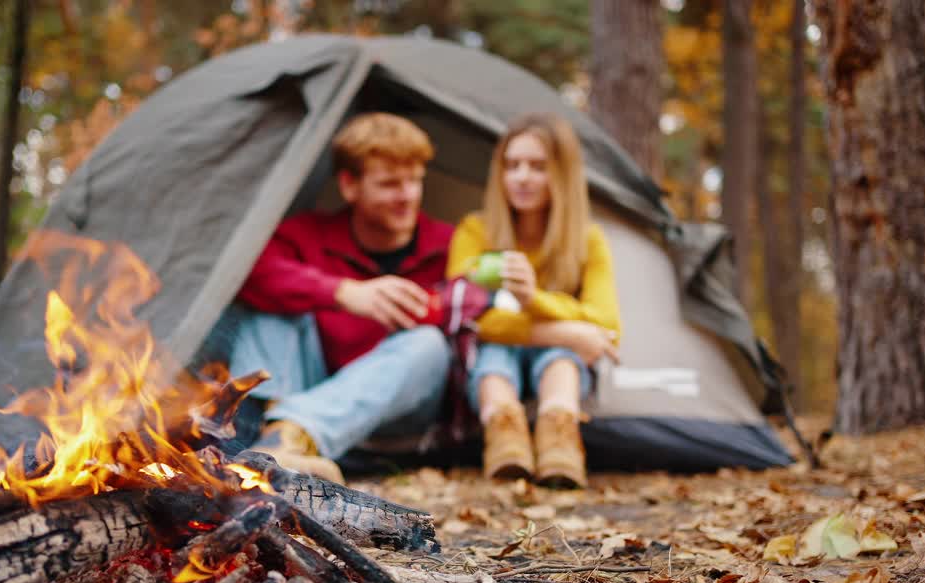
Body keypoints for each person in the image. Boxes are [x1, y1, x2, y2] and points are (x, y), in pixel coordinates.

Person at [212, 113, 453, 484]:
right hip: (310, 383)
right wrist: (342, 292)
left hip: (400, 415)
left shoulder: (447, 245)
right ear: (349, 186)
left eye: (414, 181)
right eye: (389, 184)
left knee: (428, 345)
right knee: (268, 309)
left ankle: (286, 435)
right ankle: (274, 447)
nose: (407, 196)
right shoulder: (308, 234)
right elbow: (247, 273)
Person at [447, 113, 621, 488]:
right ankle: (503, 428)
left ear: (562, 175)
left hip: (551, 359)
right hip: (496, 353)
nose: (522, 177)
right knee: (496, 355)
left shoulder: (587, 239)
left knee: (561, 359)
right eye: (512, 166)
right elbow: (469, 319)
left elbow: (606, 325)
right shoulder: (475, 231)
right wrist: (570, 332)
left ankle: (559, 430)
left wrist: (533, 299)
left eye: (538, 167)